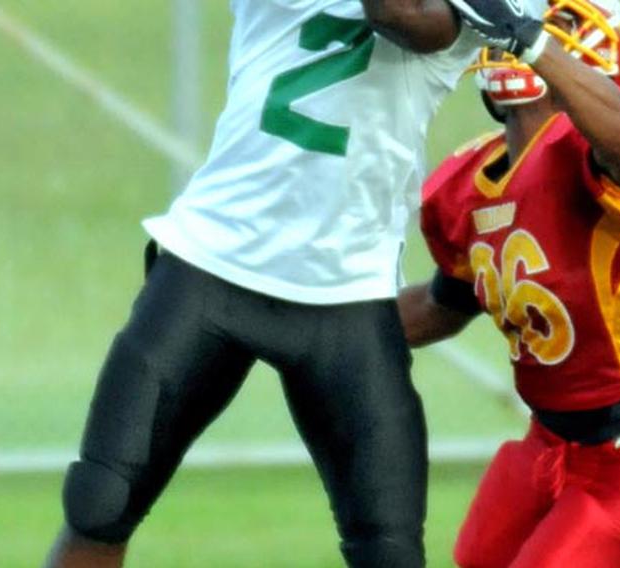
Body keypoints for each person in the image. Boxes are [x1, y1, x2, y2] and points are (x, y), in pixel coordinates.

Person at [43, 2, 487, 567]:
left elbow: (415, 23)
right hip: (212, 266)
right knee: (99, 504)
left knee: (391, 554)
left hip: (345, 296)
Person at [399, 0, 620, 566]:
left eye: (558, 25)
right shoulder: (469, 180)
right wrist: (312, 327)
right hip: (547, 443)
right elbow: (442, 305)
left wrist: (534, 42)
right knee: (474, 558)